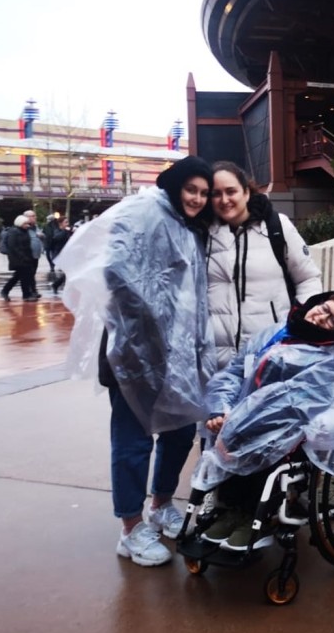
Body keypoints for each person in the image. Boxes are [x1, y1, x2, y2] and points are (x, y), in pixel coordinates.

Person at [56, 156, 217, 567]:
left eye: (204, 193)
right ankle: (130, 528)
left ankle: (161, 505)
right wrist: (151, 322)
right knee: (133, 441)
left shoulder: (186, 225)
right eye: (191, 189)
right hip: (134, 353)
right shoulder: (144, 212)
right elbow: (116, 272)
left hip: (178, 352)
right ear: (175, 186)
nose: (198, 199)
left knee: (181, 431)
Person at [193, 288, 334, 551]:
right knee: (230, 434)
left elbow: (314, 402)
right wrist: (220, 409)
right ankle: (232, 511)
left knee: (259, 440)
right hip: (241, 418)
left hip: (288, 427)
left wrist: (251, 420)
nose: (321, 316)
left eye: (332, 319)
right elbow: (234, 373)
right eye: (323, 308)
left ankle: (255, 517)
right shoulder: (274, 334)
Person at [206, 161, 322, 371]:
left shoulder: (277, 226)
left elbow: (308, 279)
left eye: (231, 191)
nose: (224, 200)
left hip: (270, 354)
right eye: (216, 194)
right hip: (216, 362)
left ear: (246, 192)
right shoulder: (203, 234)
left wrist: (299, 324)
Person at [0, 215, 39, 301]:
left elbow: (27, 245)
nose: (27, 225)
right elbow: (13, 247)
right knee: (23, 276)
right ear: (20, 223)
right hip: (18, 258)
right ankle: (26, 295)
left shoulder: (24, 231)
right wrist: (23, 256)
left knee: (19, 276)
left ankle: (5, 291)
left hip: (26, 257)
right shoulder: (14, 232)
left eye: (27, 224)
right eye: (25, 224)